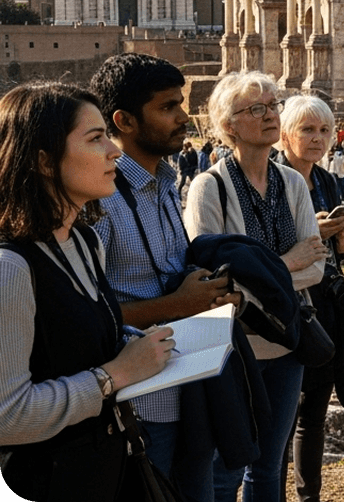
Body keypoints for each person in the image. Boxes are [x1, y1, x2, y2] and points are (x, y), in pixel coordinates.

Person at [0, 82, 175, 502]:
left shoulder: (84, 242)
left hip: (103, 471)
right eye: (96, 138)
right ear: (44, 160)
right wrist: (112, 377)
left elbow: (85, 339)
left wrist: (148, 344)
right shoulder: (10, 270)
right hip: (41, 484)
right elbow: (7, 416)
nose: (115, 151)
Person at [89, 52, 236, 495]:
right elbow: (90, 315)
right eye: (168, 107)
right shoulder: (101, 202)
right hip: (141, 403)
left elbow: (175, 275)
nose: (183, 117)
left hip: (191, 385)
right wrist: (178, 305)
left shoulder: (167, 185)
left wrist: (210, 294)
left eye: (182, 103)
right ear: (125, 120)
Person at [184, 71, 328, 502]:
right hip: (232, 349)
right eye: (256, 109)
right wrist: (287, 264)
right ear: (229, 125)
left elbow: (317, 267)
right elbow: (213, 283)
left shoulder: (293, 183)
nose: (270, 116)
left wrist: (259, 278)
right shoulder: (208, 188)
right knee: (227, 468)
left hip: (286, 343)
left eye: (273, 106)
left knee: (269, 467)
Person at [276, 95, 344, 502]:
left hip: (326, 303)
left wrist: (341, 238)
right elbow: (271, 249)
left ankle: (310, 497)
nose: (317, 139)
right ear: (285, 134)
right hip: (289, 305)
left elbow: (339, 255)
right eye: (307, 130)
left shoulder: (326, 180)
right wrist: (314, 236)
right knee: (282, 419)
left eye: (324, 131)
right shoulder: (272, 181)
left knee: (315, 414)